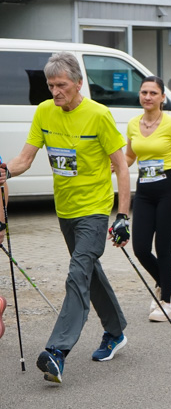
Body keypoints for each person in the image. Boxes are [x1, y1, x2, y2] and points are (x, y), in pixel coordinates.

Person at [0, 51, 131, 383]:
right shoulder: (45, 112)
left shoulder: (98, 115)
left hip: (95, 210)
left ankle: (57, 351)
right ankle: (116, 331)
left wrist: (123, 215)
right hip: (65, 209)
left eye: (61, 85)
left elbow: (121, 167)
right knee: (89, 270)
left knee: (77, 274)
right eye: (50, 85)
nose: (55, 91)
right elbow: (25, 159)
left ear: (78, 83)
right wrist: (5, 172)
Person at [125, 76, 171, 321]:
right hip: (144, 189)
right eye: (144, 92)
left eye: (153, 93)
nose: (147, 97)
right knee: (141, 248)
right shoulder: (133, 124)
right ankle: (165, 282)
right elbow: (129, 157)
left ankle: (165, 302)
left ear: (162, 98)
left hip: (170, 187)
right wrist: (112, 166)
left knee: (162, 247)